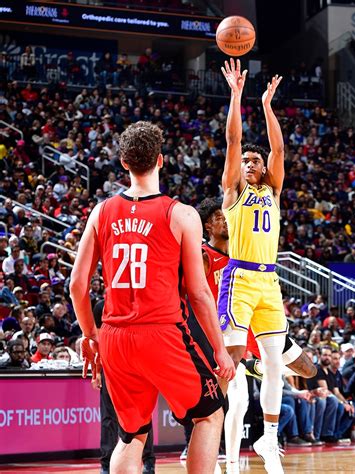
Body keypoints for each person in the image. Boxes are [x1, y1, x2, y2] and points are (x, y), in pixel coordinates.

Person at [70, 121, 235, 474]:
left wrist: (89, 336)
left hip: (114, 337)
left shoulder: (101, 212)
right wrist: (219, 349)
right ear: (161, 160)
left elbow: (77, 285)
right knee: (209, 415)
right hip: (162, 333)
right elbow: (200, 293)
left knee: (132, 435)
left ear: (124, 163)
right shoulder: (181, 214)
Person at [192, 198, 316, 472]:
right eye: (218, 217)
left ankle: (256, 366)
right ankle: (228, 464)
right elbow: (194, 299)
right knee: (237, 400)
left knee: (308, 369)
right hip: (224, 333)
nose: (225, 220)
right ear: (207, 226)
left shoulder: (243, 252)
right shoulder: (202, 256)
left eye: (226, 215)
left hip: (256, 326)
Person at [219, 59, 286, 473]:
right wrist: (237, 94)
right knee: (232, 366)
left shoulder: (274, 190)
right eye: (246, 161)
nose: (250, 163)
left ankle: (269, 437)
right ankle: (216, 431)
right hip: (239, 278)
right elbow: (231, 140)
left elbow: (278, 149)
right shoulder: (232, 193)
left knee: (276, 364)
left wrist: (267, 105)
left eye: (255, 161)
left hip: (270, 282)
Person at [92, 300, 155, 474]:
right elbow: (98, 342)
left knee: (143, 417)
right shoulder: (100, 307)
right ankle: (105, 464)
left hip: (139, 363)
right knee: (108, 417)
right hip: (111, 365)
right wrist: (97, 372)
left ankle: (149, 462)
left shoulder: (140, 303)